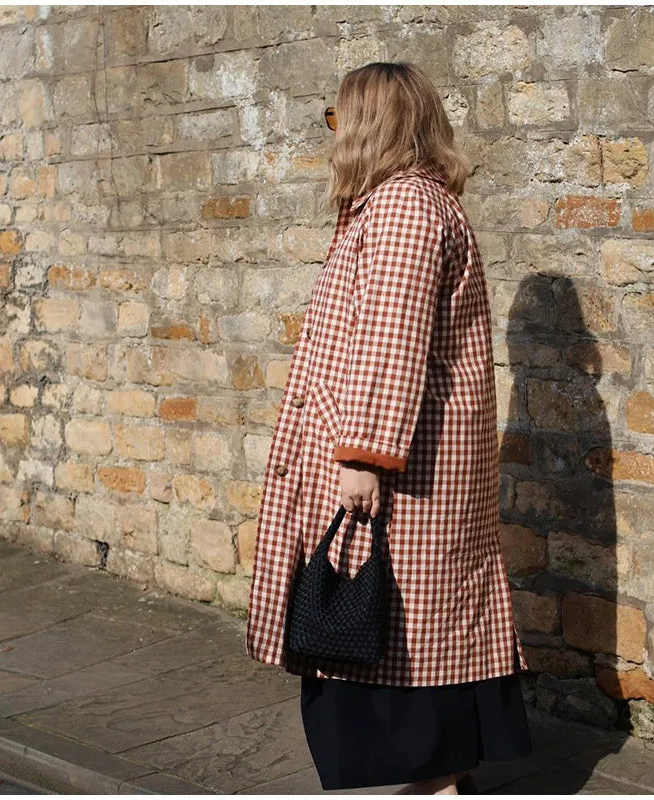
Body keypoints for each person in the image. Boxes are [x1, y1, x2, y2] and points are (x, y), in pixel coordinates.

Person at [245, 61, 532, 794]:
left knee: (402, 620)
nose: (332, 135)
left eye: (337, 120)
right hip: (415, 452)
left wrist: (364, 455)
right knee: (422, 622)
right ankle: (441, 776)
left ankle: (436, 783)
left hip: (403, 462)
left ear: (370, 125)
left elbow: (391, 341)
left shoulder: (403, 207)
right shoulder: (401, 203)